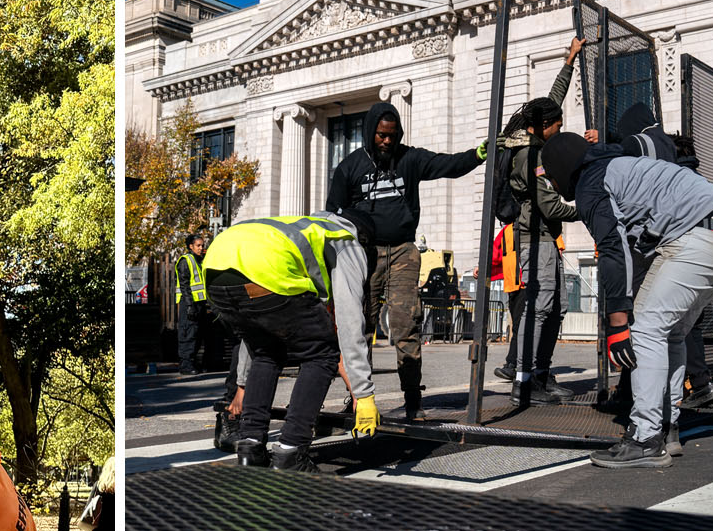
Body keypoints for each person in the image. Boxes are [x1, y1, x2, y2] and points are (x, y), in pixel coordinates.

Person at [539, 132, 713, 468]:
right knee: (671, 333)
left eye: (550, 175)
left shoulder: (591, 183)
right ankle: (667, 427)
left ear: (563, 167)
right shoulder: (621, 166)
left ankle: (644, 438)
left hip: (699, 235)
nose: (551, 182)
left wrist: (618, 321)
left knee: (644, 329)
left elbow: (613, 249)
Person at [326, 100, 489, 420]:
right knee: (360, 327)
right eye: (381, 135)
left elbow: (449, 164)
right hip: (364, 254)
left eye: (393, 135)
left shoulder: (409, 159)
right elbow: (332, 214)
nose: (388, 141)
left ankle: (413, 402)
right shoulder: (349, 168)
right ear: (371, 132)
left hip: (403, 251)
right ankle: (358, 399)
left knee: (406, 324)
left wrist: (479, 154)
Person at [204, 211, 381, 473]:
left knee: (266, 352)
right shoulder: (345, 239)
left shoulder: (300, 225)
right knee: (321, 354)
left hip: (215, 269)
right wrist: (364, 394)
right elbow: (349, 317)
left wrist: (242, 383)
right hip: (265, 272)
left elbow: (250, 343)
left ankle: (250, 447)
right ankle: (291, 451)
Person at [606, 103, 713, 421]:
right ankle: (668, 413)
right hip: (706, 242)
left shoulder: (644, 144)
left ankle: (647, 421)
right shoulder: (683, 166)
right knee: (674, 331)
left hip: (661, 244)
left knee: (645, 328)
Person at [493, 36, 587, 405]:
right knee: (540, 305)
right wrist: (585, 208)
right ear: (544, 126)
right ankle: (526, 379)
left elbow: (552, 101)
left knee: (557, 305)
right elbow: (551, 206)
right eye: (558, 126)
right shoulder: (532, 155)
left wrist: (570, 62)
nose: (560, 132)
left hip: (544, 239)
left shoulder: (535, 135)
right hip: (535, 237)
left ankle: (541, 375)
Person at [175, 233, 210, 375]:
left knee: (197, 334)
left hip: (199, 303)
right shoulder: (185, 261)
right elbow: (184, 286)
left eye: (203, 245)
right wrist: (190, 305)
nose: (201, 248)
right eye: (198, 245)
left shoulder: (199, 260)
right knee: (188, 334)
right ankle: (185, 365)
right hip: (188, 303)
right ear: (191, 246)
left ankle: (193, 363)